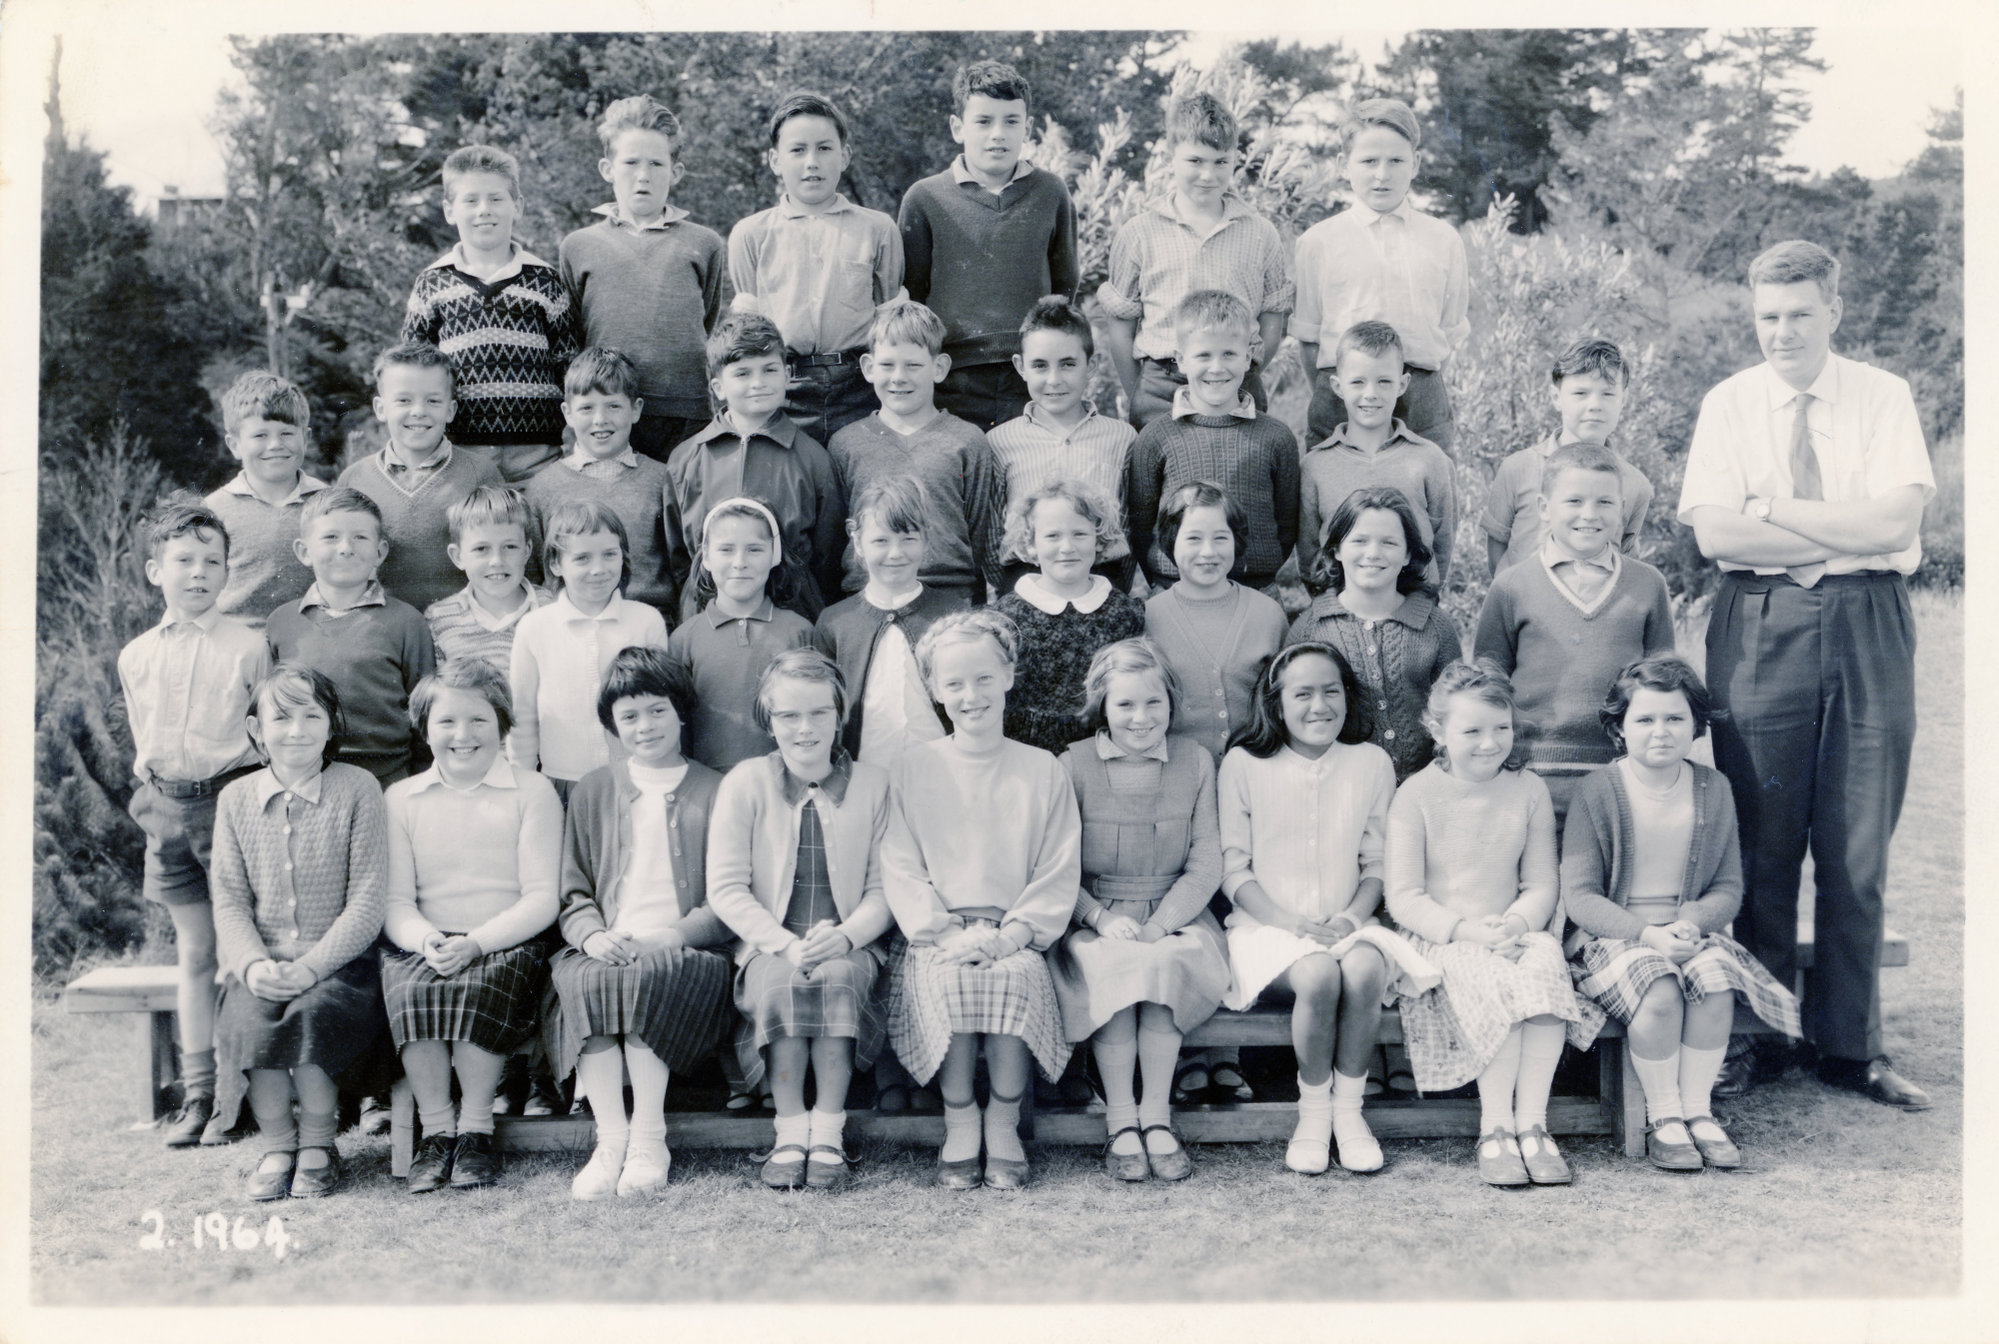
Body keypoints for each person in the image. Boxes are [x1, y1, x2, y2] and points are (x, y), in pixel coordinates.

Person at [1677, 239, 1933, 1109]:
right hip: (1760, 623)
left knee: (1856, 845)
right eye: (1766, 317)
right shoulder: (1729, 403)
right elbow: (1717, 537)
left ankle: (1848, 1046)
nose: (1781, 332)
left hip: (1868, 620)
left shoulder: (1882, 394)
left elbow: (1895, 522)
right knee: (1762, 840)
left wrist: (1776, 508)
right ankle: (1759, 1034)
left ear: (1833, 310)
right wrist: (1843, 527)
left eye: (1798, 314)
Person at [1562, 656, 1800, 1171]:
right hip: (1613, 937)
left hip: (1689, 933)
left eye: (1675, 718)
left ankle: (1698, 1111)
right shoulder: (1596, 790)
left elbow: (1727, 887)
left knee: (1713, 981)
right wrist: (1649, 934)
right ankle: (1664, 1116)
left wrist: (1692, 923)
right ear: (1619, 728)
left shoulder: (1713, 789)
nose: (1661, 732)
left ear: (1696, 726)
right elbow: (1581, 898)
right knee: (1662, 988)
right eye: (1644, 719)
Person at [1218, 643, 1437, 1176]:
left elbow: (1376, 861)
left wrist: (1352, 918)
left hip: (1349, 922)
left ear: (1348, 697)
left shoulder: (1370, 763)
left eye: (1331, 691)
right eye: (1303, 694)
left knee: (1362, 968)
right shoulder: (1244, 764)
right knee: (1318, 976)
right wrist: (1290, 923)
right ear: (1276, 703)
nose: (1319, 705)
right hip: (1267, 930)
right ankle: (1313, 1116)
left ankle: (1349, 1114)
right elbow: (1235, 870)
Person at [882, 610, 1080, 1189]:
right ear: (937, 692)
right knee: (953, 981)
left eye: (984, 678)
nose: (971, 695)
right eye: (955, 684)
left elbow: (1056, 869)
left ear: (1009, 676)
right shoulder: (912, 768)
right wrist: (944, 933)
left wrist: (1009, 936)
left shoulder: (1042, 769)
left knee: (1012, 980)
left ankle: (1003, 1119)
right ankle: (961, 1118)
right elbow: (900, 865)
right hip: (935, 935)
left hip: (1015, 933)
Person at [1385, 661, 1599, 1187]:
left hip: (1516, 929)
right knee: (1498, 985)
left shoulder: (1527, 789)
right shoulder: (1415, 795)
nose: (1489, 742)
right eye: (1472, 731)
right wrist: (1468, 931)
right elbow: (1404, 897)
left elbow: (1541, 883)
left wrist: (1516, 924)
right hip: (1444, 937)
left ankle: (1534, 1125)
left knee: (1543, 973)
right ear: (1438, 731)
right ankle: (1496, 1127)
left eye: (1500, 728)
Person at [548, 647, 735, 1198]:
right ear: (612, 726)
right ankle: (611, 1140)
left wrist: (668, 936)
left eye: (656, 710)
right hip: (605, 944)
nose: (645, 726)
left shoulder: (717, 790)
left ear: (681, 712)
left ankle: (650, 1137)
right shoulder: (593, 790)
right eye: (629, 716)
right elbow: (573, 890)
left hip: (687, 948)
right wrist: (593, 934)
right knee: (586, 977)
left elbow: (729, 899)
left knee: (644, 976)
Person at [708, 650, 896, 1190]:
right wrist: (784, 946)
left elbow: (886, 887)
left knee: (837, 981)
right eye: (788, 716)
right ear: (769, 720)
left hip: (850, 941)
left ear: (841, 714)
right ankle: (790, 1128)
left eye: (818, 713)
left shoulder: (875, 783)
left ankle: (829, 1131)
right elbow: (726, 889)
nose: (805, 728)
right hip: (771, 946)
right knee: (783, 984)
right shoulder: (745, 783)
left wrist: (845, 936)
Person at [1049, 639, 1231, 1182]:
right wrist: (1099, 920)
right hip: (1094, 917)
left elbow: (1205, 863)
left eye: (1153, 703)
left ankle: (1157, 1117)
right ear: (1102, 705)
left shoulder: (1196, 761)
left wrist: (1160, 924)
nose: (1140, 717)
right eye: (1125, 704)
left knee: (1161, 967)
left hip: (1174, 915)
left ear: (1171, 703)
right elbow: (1055, 865)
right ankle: (1121, 1121)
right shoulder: (1072, 765)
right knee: (1116, 968)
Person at [120, 497, 271, 1147]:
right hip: (165, 808)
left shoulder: (248, 645)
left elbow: (266, 737)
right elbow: (142, 737)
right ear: (156, 570)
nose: (199, 572)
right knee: (195, 952)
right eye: (184, 560)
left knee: (244, 950)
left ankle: (246, 1094)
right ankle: (197, 1091)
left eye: (213, 561)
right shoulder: (137, 655)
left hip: (231, 804)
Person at [381, 660, 562, 1192]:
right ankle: (437, 1134)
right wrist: (426, 940)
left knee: (479, 987)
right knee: (412, 990)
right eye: (448, 722)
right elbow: (395, 900)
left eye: (479, 720)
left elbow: (541, 899)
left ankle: (477, 1129)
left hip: (507, 940)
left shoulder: (531, 792)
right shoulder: (401, 799)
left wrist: (477, 943)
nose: (464, 735)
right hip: (427, 939)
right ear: (425, 728)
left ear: (502, 723)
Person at [210, 666, 388, 1200]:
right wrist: (253, 964)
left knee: (312, 1018)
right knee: (250, 1022)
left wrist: (311, 966)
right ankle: (277, 1144)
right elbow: (230, 900)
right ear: (255, 729)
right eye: (280, 717)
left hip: (339, 965)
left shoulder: (358, 788)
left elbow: (368, 900)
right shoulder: (236, 800)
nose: (297, 729)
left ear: (332, 725)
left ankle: (317, 1143)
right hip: (263, 964)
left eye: (312, 715)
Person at [1142, 480, 1287, 1103]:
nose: (1206, 550)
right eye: (1191, 537)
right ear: (1169, 544)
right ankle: (1191, 1049)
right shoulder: (1147, 613)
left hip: (1254, 779)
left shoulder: (1267, 613)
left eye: (1220, 537)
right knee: (1195, 903)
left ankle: (1232, 1049)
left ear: (1239, 544)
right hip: (1181, 783)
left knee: (1244, 900)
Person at [1473, 442, 1675, 818]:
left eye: (1605, 503)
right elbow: (1488, 687)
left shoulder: (1648, 585)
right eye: (1574, 501)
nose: (1589, 514)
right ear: (1544, 509)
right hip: (1529, 776)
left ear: (1622, 510)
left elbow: (1663, 687)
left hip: (1621, 777)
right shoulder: (1510, 586)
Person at [898, 59, 1079, 432]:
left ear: (1027, 128)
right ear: (957, 127)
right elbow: (913, 295)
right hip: (952, 376)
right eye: (983, 121)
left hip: (1030, 376)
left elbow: (1064, 284)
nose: (998, 134)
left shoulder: (1050, 192)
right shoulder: (925, 198)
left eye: (1011, 121)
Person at [1099, 91, 1293, 427]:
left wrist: (1243, 370)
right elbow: (1120, 327)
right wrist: (1140, 394)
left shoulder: (1261, 233)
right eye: (1195, 161)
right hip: (1161, 386)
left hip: (1236, 383)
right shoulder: (1139, 232)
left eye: (1221, 162)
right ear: (1170, 155)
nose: (1208, 175)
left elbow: (1273, 319)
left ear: (1235, 158)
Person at [728, 91, 904, 447]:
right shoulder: (751, 234)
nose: (812, 162)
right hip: (784, 392)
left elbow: (891, 321)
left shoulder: (878, 229)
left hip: (860, 388)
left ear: (845, 156)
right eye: (798, 150)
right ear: (775, 160)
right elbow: (748, 334)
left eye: (824, 148)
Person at [1292, 97, 1468, 452]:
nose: (1382, 174)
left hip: (1421, 398)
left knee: (1424, 500)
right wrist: (1343, 386)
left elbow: (1449, 332)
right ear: (1344, 164)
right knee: (1335, 499)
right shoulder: (1318, 242)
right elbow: (1309, 340)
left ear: (1416, 163)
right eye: (1369, 161)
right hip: (1340, 396)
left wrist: (1413, 381)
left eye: (1396, 161)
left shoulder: (1443, 239)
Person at [401, 143, 579, 483]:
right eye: (471, 200)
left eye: (496, 199)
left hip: (538, 454)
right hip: (460, 454)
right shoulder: (432, 284)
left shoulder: (545, 281)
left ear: (518, 206)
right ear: (449, 210)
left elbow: (569, 366)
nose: (485, 210)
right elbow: (411, 373)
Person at [559, 94, 724, 462]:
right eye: (631, 162)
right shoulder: (579, 246)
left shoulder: (704, 243)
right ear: (607, 168)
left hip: (685, 414)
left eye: (656, 163)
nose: (643, 175)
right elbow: (573, 336)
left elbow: (707, 319)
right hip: (608, 412)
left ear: (675, 172)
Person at [664, 312, 846, 622]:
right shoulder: (686, 459)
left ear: (787, 375)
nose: (758, 383)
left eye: (769, 370)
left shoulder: (813, 459)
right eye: (743, 373)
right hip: (706, 619)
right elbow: (679, 554)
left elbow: (826, 555)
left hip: (790, 618)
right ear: (718, 387)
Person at [827, 297, 1004, 605]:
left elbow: (977, 534)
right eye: (887, 365)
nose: (899, 377)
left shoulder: (967, 440)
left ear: (939, 367)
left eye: (913, 365)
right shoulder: (845, 444)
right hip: (867, 597)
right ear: (868, 368)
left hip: (949, 598)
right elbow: (835, 535)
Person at [1127, 290, 1300, 594]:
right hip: (1174, 588)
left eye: (1229, 354)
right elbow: (1142, 526)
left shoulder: (1276, 438)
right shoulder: (1156, 437)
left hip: (1256, 589)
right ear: (1181, 359)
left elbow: (1286, 524)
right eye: (1204, 355)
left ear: (1248, 357)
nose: (1217, 368)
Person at [1291, 486, 1462, 784]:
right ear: (1336, 549)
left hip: (1427, 789)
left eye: (1389, 543)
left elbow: (1458, 713)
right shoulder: (1310, 629)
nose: (1373, 554)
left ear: (1408, 554)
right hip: (1342, 792)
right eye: (1359, 541)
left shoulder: (1435, 626)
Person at [267, 487, 436, 788]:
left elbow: (425, 714)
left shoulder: (407, 622)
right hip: (305, 779)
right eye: (330, 537)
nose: (345, 548)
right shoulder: (282, 622)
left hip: (388, 780)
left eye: (360, 537)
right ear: (304, 551)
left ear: (380, 551)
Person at [507, 500, 669, 797]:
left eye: (609, 554)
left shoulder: (646, 622)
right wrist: (524, 783)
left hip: (634, 780)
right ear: (556, 563)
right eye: (582, 558)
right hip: (560, 783)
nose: (599, 569)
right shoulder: (534, 628)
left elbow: (661, 708)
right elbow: (523, 715)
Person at [337, 342, 505, 614]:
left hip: (461, 630)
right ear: (381, 408)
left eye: (433, 400)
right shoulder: (354, 480)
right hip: (382, 628)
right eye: (404, 400)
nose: (418, 411)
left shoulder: (480, 474)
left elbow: (511, 559)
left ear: (450, 410)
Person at [811, 476, 968, 767]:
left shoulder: (955, 616)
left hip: (944, 775)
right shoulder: (834, 623)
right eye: (881, 541)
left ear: (926, 539)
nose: (895, 554)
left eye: (908, 539)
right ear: (857, 540)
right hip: (865, 776)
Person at [986, 296, 1139, 592]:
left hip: (1103, 580)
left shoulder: (1121, 438)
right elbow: (991, 533)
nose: (1054, 380)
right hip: (1025, 582)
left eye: (1068, 364)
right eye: (1040, 366)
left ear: (1091, 364)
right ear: (1020, 366)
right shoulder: (999, 441)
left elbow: (1131, 525)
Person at [1295, 321, 1457, 588]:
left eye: (1384, 381)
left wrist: (1423, 600)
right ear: (1337, 386)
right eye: (1358, 382)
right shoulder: (1315, 466)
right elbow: (1309, 552)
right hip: (1338, 613)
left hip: (1413, 611)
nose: (1370, 394)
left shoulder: (1430, 461)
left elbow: (1442, 545)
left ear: (1403, 384)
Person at [994, 480, 1147, 756]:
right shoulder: (1005, 617)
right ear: (1030, 545)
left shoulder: (1124, 614)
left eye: (1079, 534)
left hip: (1103, 755)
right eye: (1052, 536)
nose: (1067, 547)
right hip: (1026, 756)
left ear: (1099, 540)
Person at [522, 346, 677, 615]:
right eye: (586, 408)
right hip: (569, 627)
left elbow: (679, 565)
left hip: (648, 624)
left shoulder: (662, 479)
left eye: (614, 406)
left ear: (636, 409)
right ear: (568, 413)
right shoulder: (542, 488)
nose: (600, 420)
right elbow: (535, 575)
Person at [667, 497, 817, 773]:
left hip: (783, 781)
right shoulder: (684, 639)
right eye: (726, 549)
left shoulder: (799, 632)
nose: (740, 562)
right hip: (707, 785)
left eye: (754, 549)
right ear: (707, 557)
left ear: (775, 554)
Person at [1483, 337, 1653, 576]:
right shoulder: (1518, 468)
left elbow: (1625, 561)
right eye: (1581, 393)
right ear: (1556, 398)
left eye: (1607, 394)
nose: (1595, 405)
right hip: (1521, 606)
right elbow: (1497, 549)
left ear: (1623, 400)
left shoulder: (1636, 484)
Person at [203, 371, 325, 630]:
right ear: (234, 445)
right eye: (260, 436)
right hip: (235, 645)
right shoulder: (213, 512)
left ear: (306, 437)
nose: (275, 445)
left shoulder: (329, 504)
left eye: (287, 434)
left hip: (314, 644)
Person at [424, 485, 552, 673]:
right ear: (458, 556)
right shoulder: (439, 620)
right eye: (481, 549)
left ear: (527, 551)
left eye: (509, 547)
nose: (496, 561)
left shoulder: (553, 608)